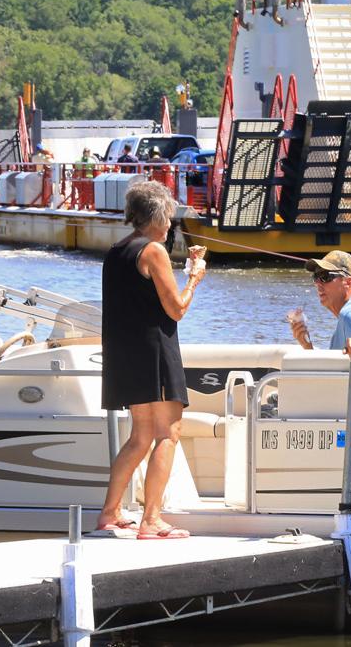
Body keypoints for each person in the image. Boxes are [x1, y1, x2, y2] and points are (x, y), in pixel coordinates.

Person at [95, 180, 206, 539]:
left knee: (140, 436)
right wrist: (194, 278)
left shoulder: (116, 250)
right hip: (154, 351)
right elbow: (176, 309)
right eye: (170, 217)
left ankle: (110, 513)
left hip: (124, 353)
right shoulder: (154, 250)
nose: (171, 224)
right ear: (158, 215)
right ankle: (152, 520)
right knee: (168, 433)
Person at [290, 250, 351, 360]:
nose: (318, 283)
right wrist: (307, 345)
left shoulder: (350, 313)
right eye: (316, 277)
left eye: (325, 276)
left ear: (348, 282)